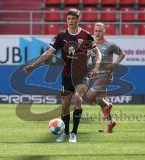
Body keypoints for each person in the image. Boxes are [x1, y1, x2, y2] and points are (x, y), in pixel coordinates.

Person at [24, 8, 101, 143]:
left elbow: (98, 53)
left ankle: (73, 134)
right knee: (64, 106)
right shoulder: (61, 36)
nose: (70, 21)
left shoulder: (86, 35)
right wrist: (33, 65)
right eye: (68, 19)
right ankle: (65, 133)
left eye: (73, 19)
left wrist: (96, 67)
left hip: (82, 74)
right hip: (66, 75)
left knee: (77, 98)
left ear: (78, 19)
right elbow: (48, 53)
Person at [87, 23, 125, 133]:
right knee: (100, 101)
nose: (97, 33)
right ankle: (111, 122)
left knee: (90, 96)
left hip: (106, 76)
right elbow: (88, 58)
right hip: (96, 76)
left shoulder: (110, 45)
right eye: (95, 31)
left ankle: (109, 105)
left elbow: (122, 54)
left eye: (99, 31)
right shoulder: (91, 45)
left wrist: (115, 64)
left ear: (104, 31)